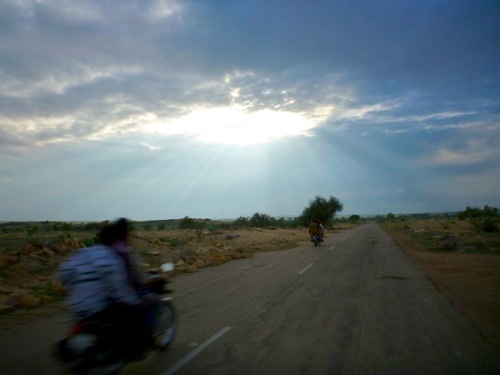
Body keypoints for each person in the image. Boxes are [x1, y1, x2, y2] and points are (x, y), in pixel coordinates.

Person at [57, 223, 147, 361]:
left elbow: (63, 272)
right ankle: (132, 350)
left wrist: (73, 289)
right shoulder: (112, 258)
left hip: (75, 306)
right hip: (97, 307)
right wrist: (135, 302)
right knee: (134, 312)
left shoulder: (84, 252)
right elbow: (120, 290)